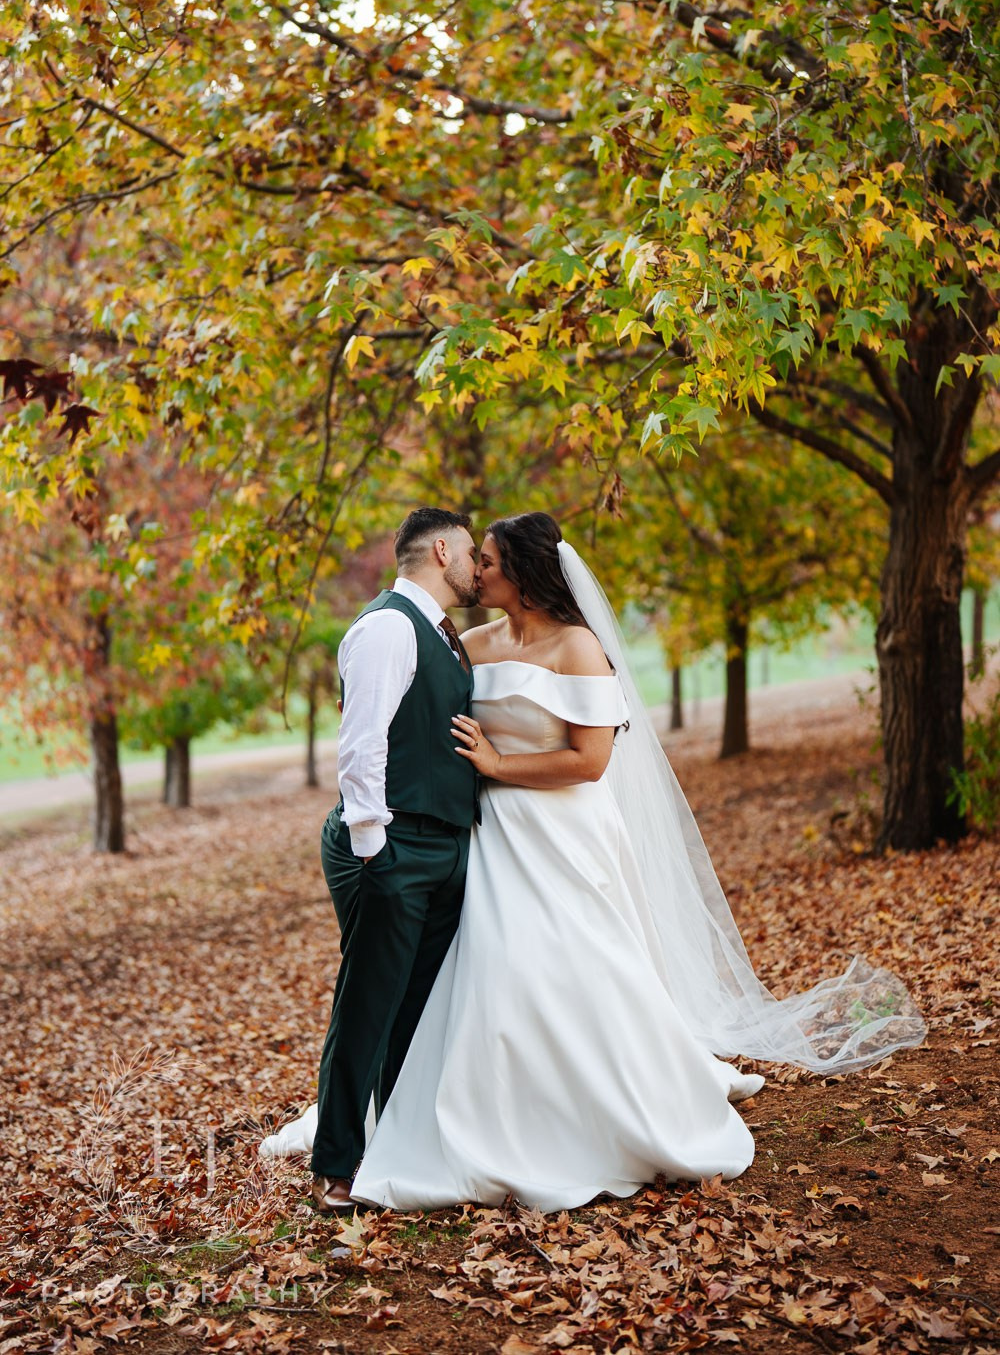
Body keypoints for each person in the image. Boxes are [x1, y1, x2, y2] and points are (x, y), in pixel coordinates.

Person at [264, 513, 925, 1212]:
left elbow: (590, 759)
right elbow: (391, 723)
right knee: (468, 982)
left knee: (566, 967)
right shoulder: (458, 642)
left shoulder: (575, 647)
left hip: (552, 827)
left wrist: (495, 763)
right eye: (474, 558)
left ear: (519, 571)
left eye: (488, 561)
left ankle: (585, 1105)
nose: (478, 571)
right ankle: (410, 1125)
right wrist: (381, 832)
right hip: (480, 836)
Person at [306, 507, 480, 1214]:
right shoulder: (386, 628)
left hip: (443, 843)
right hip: (391, 845)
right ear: (442, 550)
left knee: (414, 1007)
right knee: (369, 1003)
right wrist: (377, 850)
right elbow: (361, 745)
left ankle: (396, 1151)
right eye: (471, 553)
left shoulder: (446, 634)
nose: (477, 565)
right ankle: (336, 1167)